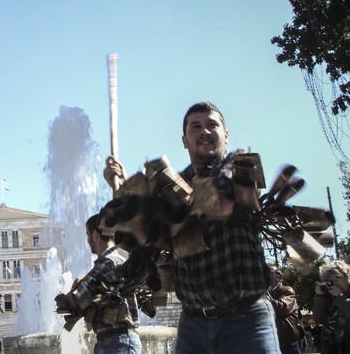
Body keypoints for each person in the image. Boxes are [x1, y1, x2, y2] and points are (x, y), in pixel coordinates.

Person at [104, 101, 279, 354]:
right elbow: (146, 231)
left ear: (226, 135)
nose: (205, 131)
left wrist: (147, 196)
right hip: (193, 323)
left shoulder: (242, 165)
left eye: (212, 125)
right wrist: (123, 187)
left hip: (246, 318)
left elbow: (218, 201)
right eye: (196, 127)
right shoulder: (175, 186)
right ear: (185, 139)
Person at [78, 214, 142, 353]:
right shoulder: (119, 259)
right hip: (117, 341)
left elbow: (81, 296)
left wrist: (78, 285)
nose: (88, 240)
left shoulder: (107, 262)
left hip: (118, 343)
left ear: (95, 234)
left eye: (88, 234)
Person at [312, 260, 350, 353]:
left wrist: (340, 297)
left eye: (338, 278)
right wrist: (320, 297)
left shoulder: (338, 296)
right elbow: (318, 319)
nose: (336, 284)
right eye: (331, 281)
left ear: (346, 276)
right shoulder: (328, 298)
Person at [268, 265, 303, 354]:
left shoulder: (287, 291)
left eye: (271, 272)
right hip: (271, 343)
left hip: (288, 345)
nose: (266, 275)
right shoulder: (265, 294)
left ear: (280, 277)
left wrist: (264, 294)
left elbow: (281, 308)